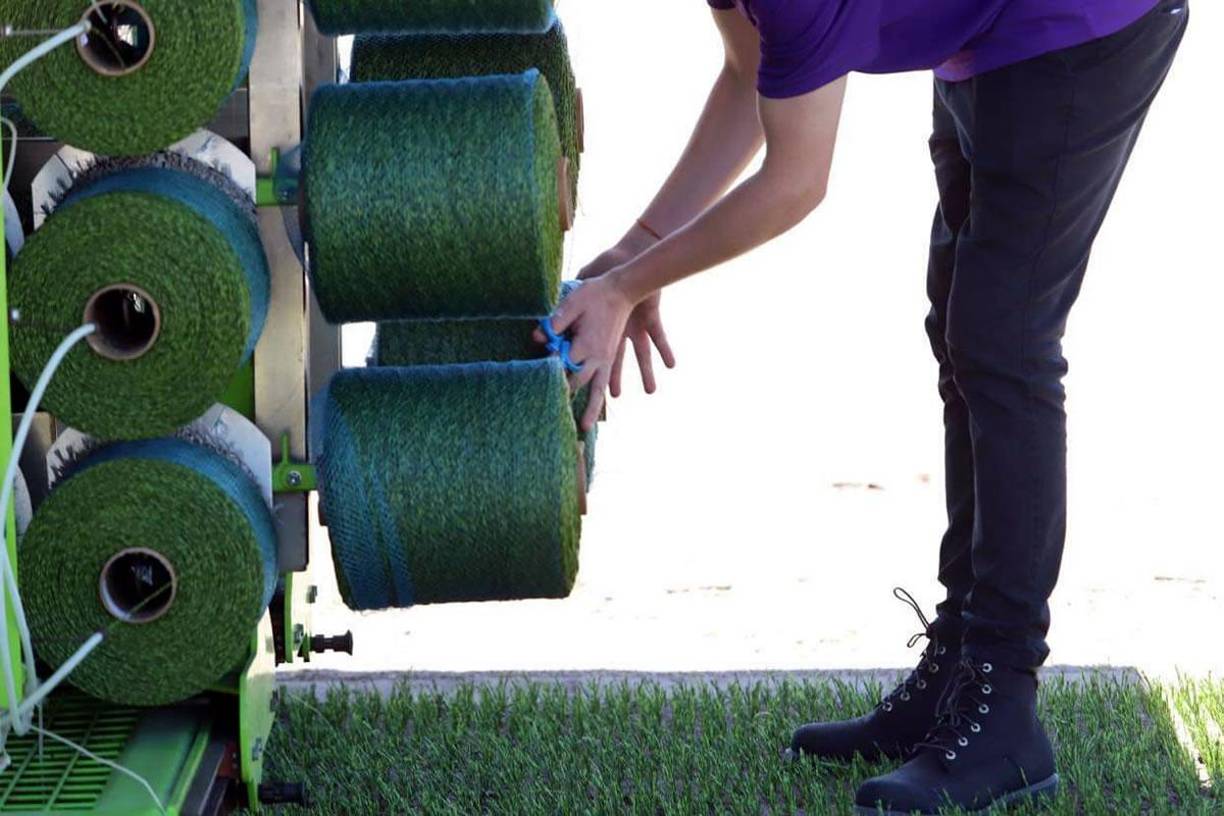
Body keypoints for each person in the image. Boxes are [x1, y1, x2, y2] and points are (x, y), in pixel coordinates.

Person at [539, 0, 1189, 812]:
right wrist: (633, 258)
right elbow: (750, 74)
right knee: (966, 333)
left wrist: (631, 285)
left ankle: (1006, 711)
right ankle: (960, 665)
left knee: (1004, 342)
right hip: (983, 40)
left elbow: (795, 181)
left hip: (1083, 27)